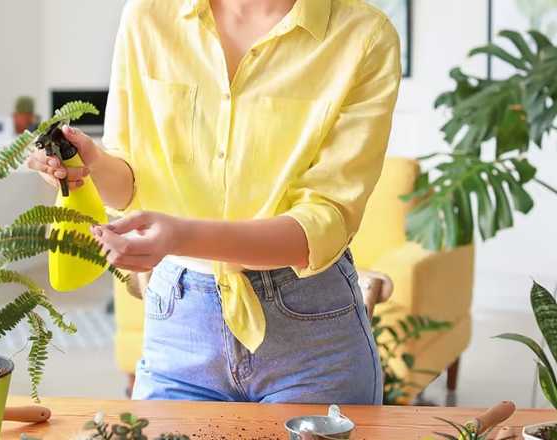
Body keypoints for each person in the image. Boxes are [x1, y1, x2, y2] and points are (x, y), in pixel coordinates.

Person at [27, 0, 401, 404]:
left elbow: (323, 224)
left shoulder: (363, 36)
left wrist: (180, 237)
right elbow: (129, 183)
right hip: (179, 324)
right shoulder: (149, 15)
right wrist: (93, 165)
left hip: (310, 334)